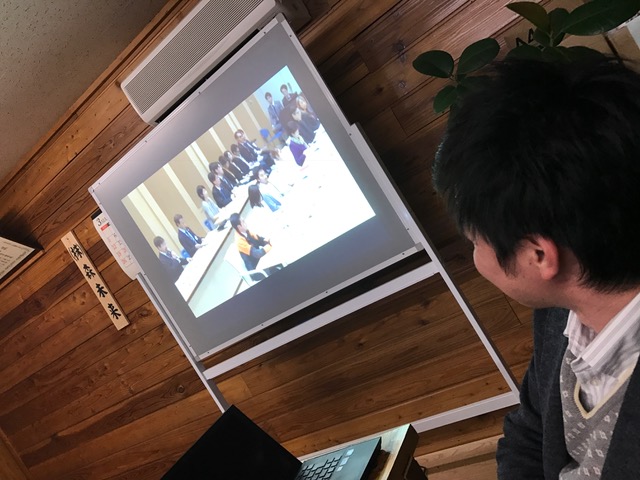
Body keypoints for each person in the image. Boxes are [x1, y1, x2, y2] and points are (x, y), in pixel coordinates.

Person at [431, 57, 640, 479]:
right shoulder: (560, 316)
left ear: (539, 256)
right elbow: (528, 432)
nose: (476, 257)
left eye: (476, 242)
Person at [229, 212, 281, 279]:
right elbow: (257, 254)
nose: (245, 222)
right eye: (243, 221)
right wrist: (270, 245)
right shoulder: (239, 241)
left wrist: (268, 241)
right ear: (239, 226)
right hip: (256, 271)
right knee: (277, 269)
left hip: (261, 262)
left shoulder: (246, 231)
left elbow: (260, 240)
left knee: (279, 262)